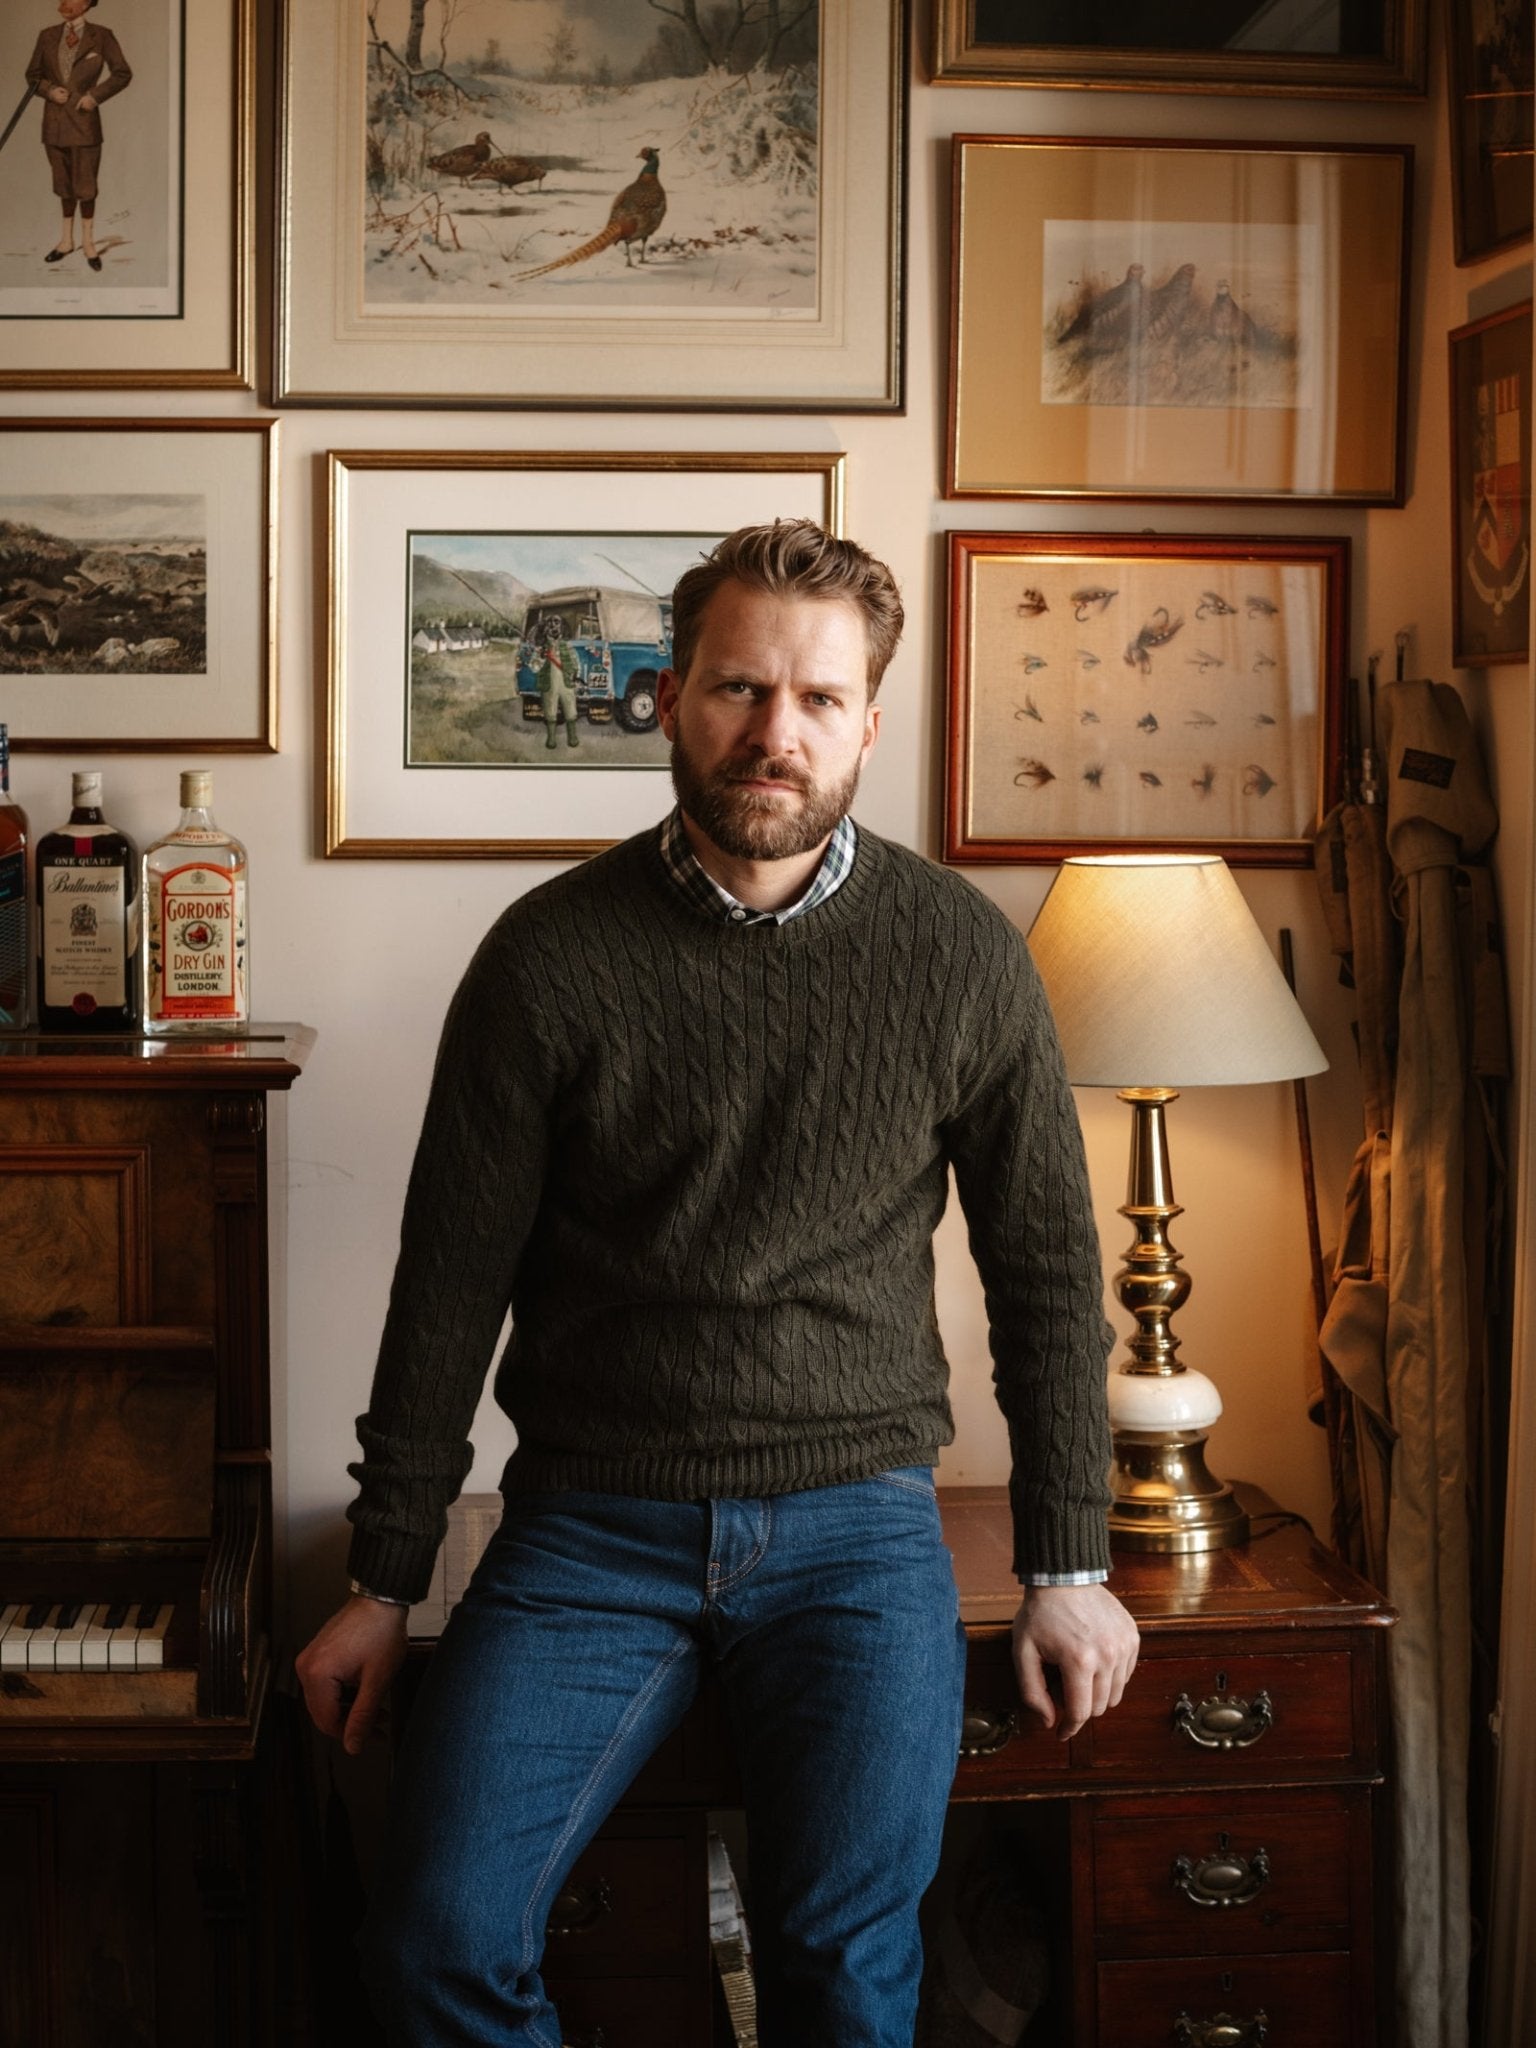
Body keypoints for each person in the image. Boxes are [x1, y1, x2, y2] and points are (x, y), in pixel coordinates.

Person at [296, 520, 1139, 2048]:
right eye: (741, 690)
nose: (776, 734)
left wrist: (1067, 1567)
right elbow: (447, 1289)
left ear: (870, 723)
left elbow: (1049, 1279)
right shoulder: (547, 959)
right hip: (585, 1537)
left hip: (859, 1529)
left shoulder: (961, 955)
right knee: (428, 1942)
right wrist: (382, 1576)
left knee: (846, 1965)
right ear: (673, 698)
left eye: (819, 700)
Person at [24, 0, 131, 273]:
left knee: (86, 186)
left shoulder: (102, 35)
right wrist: (48, 90)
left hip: (85, 124)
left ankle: (88, 242)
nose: (64, 3)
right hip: (55, 125)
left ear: (86, 4)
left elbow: (122, 73)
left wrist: (94, 97)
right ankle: (66, 241)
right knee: (63, 184)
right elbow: (32, 75)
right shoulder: (47, 35)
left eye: (72, 0)